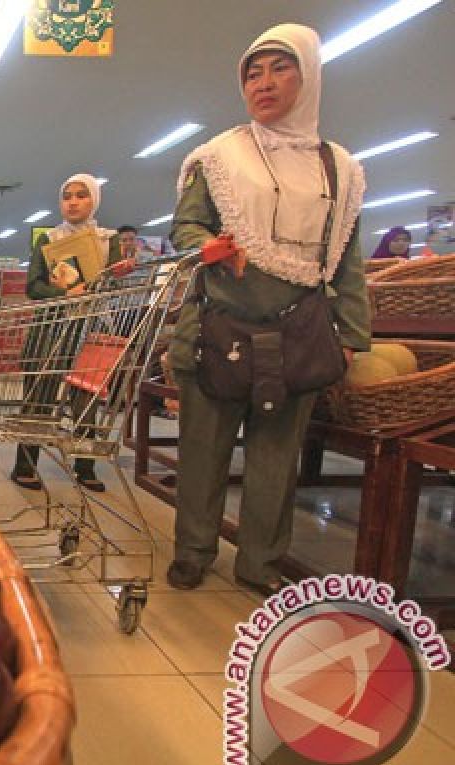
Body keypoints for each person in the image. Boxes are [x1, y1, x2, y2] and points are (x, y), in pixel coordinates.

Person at [164, 23, 369, 594]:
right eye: (253, 72)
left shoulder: (339, 170)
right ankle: (193, 551)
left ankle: (260, 563)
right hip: (218, 326)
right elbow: (186, 226)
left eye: (281, 68)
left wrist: (351, 335)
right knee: (204, 449)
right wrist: (207, 246)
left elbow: (347, 257)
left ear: (309, 77)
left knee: (276, 460)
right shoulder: (219, 157)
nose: (264, 82)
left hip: (297, 333)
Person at [9, 174, 133, 492]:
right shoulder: (48, 239)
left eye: (81, 195)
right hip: (51, 326)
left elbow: (117, 286)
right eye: (67, 196)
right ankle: (25, 465)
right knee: (39, 397)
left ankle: (85, 466)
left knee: (86, 402)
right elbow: (33, 286)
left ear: (94, 200)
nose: (73, 201)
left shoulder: (109, 240)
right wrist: (64, 295)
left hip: (92, 327)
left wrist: (111, 279)